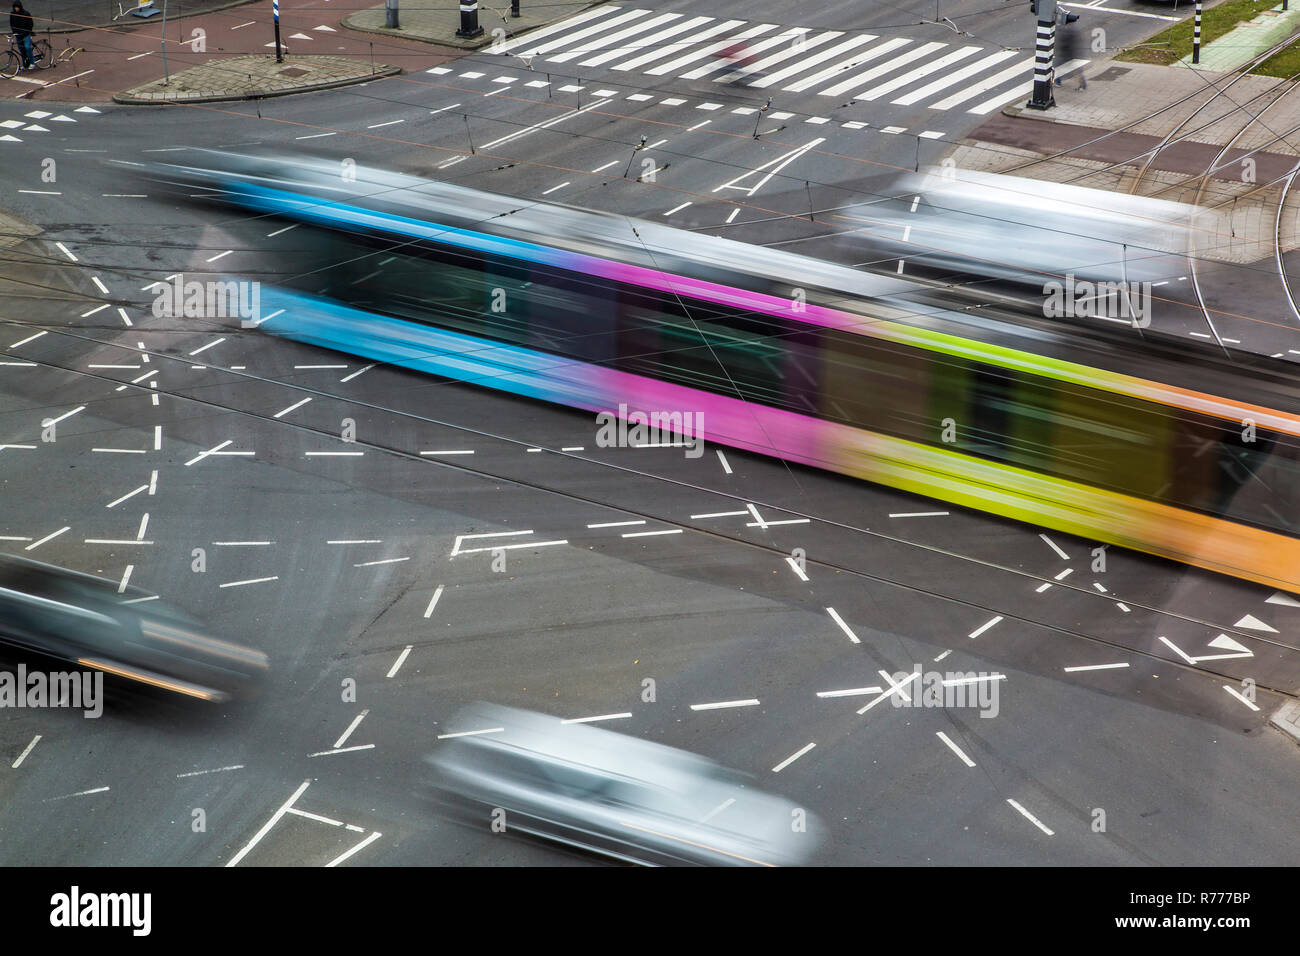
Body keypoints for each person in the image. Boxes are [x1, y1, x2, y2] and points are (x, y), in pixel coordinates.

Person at [1053, 22, 1086, 91]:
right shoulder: (1073, 29)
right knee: (1077, 70)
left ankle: (1057, 82)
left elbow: (1063, 43)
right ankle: (1083, 85)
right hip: (1072, 54)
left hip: (1067, 54)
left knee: (1057, 68)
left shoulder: (1066, 31)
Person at [10, 1, 34, 70]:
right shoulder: (12, 14)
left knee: (27, 47)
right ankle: (25, 64)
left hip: (26, 34)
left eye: (17, 7)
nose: (16, 8)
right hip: (18, 35)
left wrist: (27, 32)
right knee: (21, 50)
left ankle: (32, 63)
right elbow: (12, 24)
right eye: (15, 7)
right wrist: (14, 32)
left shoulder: (26, 13)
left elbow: (30, 24)